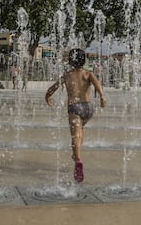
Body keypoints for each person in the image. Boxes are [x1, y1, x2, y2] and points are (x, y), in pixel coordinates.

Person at [45, 48, 106, 183]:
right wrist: (102, 96)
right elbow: (97, 83)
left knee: (76, 135)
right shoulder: (87, 74)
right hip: (88, 108)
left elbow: (53, 88)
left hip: (75, 108)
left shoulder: (67, 75)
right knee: (80, 131)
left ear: (70, 61)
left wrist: (47, 96)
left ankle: (77, 159)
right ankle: (76, 153)